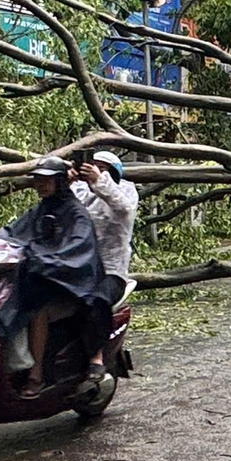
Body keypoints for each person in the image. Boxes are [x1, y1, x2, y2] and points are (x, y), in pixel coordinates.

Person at [3, 156, 113, 391]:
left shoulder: (77, 214)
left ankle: (36, 374)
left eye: (47, 180)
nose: (41, 184)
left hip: (75, 288)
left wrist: (42, 261)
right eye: (37, 180)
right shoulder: (39, 210)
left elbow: (76, 251)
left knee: (38, 311)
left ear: (61, 181)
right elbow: (12, 232)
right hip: (44, 281)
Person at [71, 151, 138, 371]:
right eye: (93, 166)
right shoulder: (81, 191)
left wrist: (99, 179)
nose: (96, 170)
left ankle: (96, 357)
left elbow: (124, 208)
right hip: (78, 267)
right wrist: (66, 182)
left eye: (103, 167)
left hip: (112, 271)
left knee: (95, 300)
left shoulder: (126, 190)